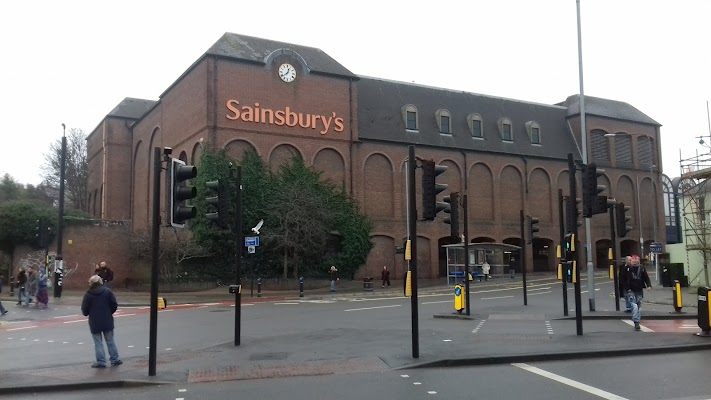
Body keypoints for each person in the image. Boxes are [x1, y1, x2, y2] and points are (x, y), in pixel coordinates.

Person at [81, 275, 122, 368]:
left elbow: (85, 310)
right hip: (107, 320)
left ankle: (101, 361)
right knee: (110, 341)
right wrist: (109, 312)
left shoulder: (88, 294)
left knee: (98, 342)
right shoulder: (107, 292)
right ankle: (114, 359)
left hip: (94, 321)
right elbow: (114, 305)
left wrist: (89, 313)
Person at [623, 254, 652, 331]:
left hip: (639, 290)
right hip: (630, 290)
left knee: (638, 307)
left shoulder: (642, 268)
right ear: (631, 261)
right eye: (633, 260)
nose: (635, 262)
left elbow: (646, 277)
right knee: (634, 306)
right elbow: (623, 279)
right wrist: (627, 289)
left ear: (638, 261)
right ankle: (636, 321)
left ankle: (637, 320)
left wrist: (648, 285)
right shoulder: (627, 269)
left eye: (636, 260)